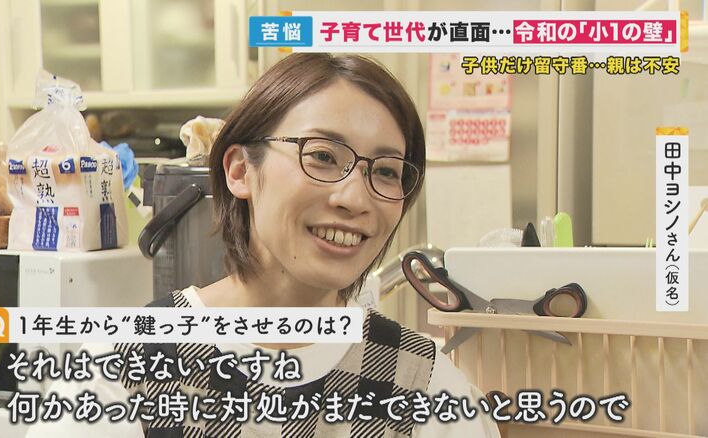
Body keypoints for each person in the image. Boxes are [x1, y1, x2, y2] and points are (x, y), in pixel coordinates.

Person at [26, 53, 500, 438]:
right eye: (322, 156)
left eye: (386, 171)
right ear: (240, 171)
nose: (355, 199)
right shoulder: (119, 367)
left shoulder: (425, 386)